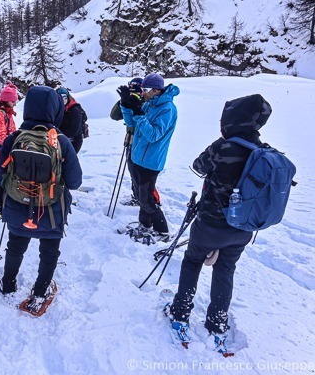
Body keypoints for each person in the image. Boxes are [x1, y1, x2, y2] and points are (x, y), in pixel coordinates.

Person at [166, 94, 272, 353]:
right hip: (243, 228)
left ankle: (181, 312)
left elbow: (198, 166)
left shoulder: (223, 147)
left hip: (211, 223)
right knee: (225, 270)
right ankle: (217, 321)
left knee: (192, 262)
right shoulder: (263, 152)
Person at [0, 86, 82, 311]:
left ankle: (8, 284)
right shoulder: (61, 142)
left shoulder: (14, 139)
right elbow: (74, 181)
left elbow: (0, 176)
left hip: (16, 208)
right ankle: (40, 291)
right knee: (49, 251)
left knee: (15, 246)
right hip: (51, 212)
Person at [119, 73, 178, 242]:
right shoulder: (150, 104)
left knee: (147, 199)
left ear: (156, 90)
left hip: (151, 161)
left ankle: (163, 231)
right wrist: (126, 105)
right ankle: (145, 226)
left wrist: (138, 113)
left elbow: (153, 135)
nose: (142, 92)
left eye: (145, 89)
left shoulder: (167, 109)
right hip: (138, 157)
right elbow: (132, 124)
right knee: (141, 196)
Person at [110, 77, 144, 206]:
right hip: (130, 140)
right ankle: (137, 196)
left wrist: (136, 103)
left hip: (140, 142)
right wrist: (123, 101)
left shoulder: (146, 103)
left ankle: (145, 199)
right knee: (132, 171)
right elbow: (114, 116)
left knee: (141, 174)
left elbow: (140, 120)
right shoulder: (129, 101)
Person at [0, 83, 18, 212]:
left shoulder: (7, 113)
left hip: (5, 152)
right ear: (7, 100)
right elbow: (1, 137)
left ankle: (2, 203)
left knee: (5, 177)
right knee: (1, 178)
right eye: (13, 100)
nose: (16, 103)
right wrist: (14, 142)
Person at [55, 87, 85, 153]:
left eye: (64, 97)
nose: (63, 100)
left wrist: (57, 134)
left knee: (67, 161)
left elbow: (73, 131)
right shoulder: (56, 109)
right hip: (59, 140)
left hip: (73, 141)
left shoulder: (74, 110)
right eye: (60, 97)